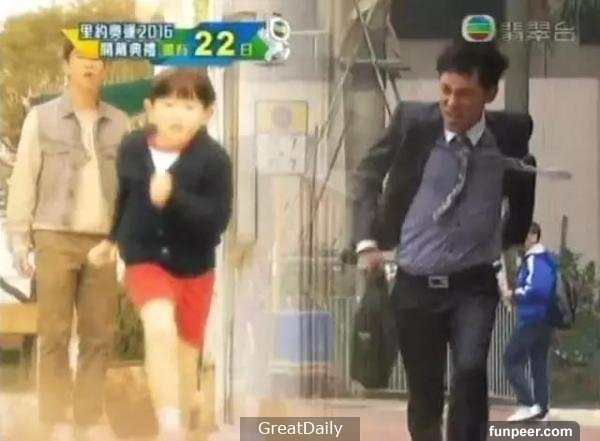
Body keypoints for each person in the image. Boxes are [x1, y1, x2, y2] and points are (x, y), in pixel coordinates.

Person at [352, 41, 539, 441]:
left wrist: (509, 244)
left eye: (465, 94)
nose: (452, 104)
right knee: (425, 390)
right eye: (446, 91)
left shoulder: (510, 135)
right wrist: (367, 241)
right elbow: (367, 174)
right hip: (414, 283)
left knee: (470, 374)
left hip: (473, 285)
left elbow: (523, 189)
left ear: (490, 94)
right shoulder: (412, 124)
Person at [88, 68, 232, 440]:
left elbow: (216, 221)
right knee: (159, 327)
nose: (176, 114)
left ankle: (179, 422)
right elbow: (125, 197)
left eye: (188, 106)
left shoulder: (214, 160)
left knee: (185, 356)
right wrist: (111, 240)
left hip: (195, 267)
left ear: (207, 113)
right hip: (145, 258)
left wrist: (175, 198)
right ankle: (168, 424)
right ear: (150, 109)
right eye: (167, 105)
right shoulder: (133, 148)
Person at [5, 40, 129, 440]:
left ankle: (87, 420)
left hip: (102, 240)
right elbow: (24, 177)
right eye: (81, 57)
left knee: (98, 334)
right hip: (53, 234)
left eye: (98, 59)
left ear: (106, 68)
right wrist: (19, 238)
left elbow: (129, 187)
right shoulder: (41, 119)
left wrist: (126, 241)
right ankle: (56, 418)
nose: (90, 65)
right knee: (54, 332)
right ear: (66, 64)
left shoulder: (121, 122)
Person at [501, 222, 556, 421]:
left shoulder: (535, 259)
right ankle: (541, 408)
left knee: (511, 360)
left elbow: (536, 289)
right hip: (545, 320)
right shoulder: (548, 259)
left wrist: (514, 294)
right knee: (538, 364)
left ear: (534, 236)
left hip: (532, 318)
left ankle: (528, 404)